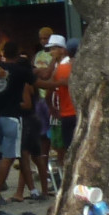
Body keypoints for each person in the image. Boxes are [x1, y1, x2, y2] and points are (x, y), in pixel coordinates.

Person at [0, 41, 42, 201]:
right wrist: (60, 83)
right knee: (10, 156)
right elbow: (42, 83)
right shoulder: (21, 73)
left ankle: (31, 190)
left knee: (17, 155)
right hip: (13, 118)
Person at [36, 36, 78, 164]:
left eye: (54, 48)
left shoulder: (61, 67)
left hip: (66, 112)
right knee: (60, 144)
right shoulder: (59, 66)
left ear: (63, 50)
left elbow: (47, 82)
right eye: (50, 49)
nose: (51, 52)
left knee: (64, 146)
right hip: (65, 111)